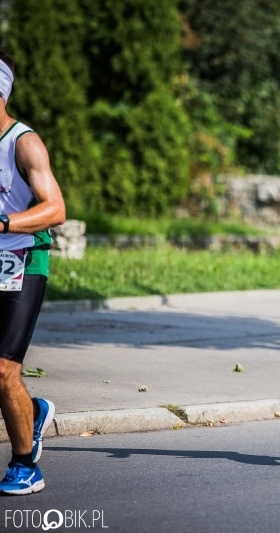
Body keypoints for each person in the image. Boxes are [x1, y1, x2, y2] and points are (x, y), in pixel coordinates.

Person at [0, 50, 66, 495]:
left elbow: (56, 209)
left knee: (3, 369)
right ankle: (34, 410)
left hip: (22, 258)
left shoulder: (24, 142)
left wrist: (4, 225)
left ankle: (25, 465)